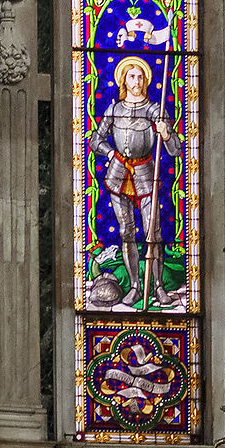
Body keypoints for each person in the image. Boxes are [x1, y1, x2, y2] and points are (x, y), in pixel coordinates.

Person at [90, 58, 182, 307]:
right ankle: (134, 287)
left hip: (145, 173)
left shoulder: (155, 109)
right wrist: (110, 153)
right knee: (126, 232)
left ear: (146, 81)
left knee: (153, 233)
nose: (137, 81)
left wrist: (165, 132)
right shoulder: (114, 109)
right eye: (132, 76)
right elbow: (95, 140)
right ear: (124, 80)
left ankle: (159, 287)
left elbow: (175, 149)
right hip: (118, 174)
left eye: (141, 77)